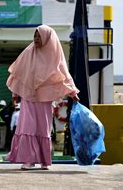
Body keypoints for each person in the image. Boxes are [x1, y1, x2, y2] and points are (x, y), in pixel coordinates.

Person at [5, 24, 80, 170]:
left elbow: (64, 75)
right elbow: (18, 73)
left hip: (44, 99)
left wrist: (73, 93)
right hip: (28, 97)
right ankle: (29, 160)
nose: (36, 39)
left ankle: (44, 161)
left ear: (47, 37)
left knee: (43, 129)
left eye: (39, 36)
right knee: (28, 128)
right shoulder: (28, 52)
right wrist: (15, 93)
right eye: (35, 36)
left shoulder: (55, 55)